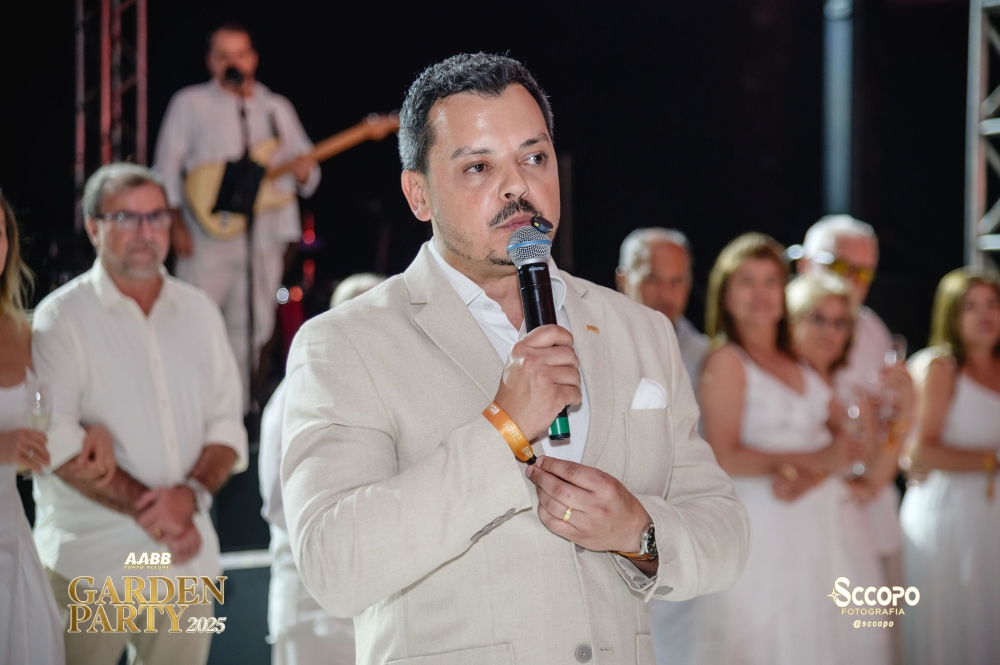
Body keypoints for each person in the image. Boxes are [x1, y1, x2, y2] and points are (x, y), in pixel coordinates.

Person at [281, 53, 750, 665]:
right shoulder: (346, 342)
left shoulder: (640, 330)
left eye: (534, 158)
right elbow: (335, 566)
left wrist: (637, 532)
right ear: (418, 194)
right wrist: (503, 429)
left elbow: (726, 535)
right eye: (479, 166)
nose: (517, 187)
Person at [32, 163, 248, 665]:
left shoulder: (199, 311)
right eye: (126, 217)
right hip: (94, 564)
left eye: (157, 217)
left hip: (186, 567)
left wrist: (189, 498)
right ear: (93, 227)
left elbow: (226, 428)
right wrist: (164, 516)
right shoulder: (60, 319)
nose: (146, 231)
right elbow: (56, 443)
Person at [691, 233, 853, 665]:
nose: (760, 293)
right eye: (747, 281)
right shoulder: (726, 361)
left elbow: (846, 439)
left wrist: (813, 476)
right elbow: (725, 454)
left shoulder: (801, 361)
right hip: (760, 525)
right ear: (725, 295)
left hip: (816, 523)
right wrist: (807, 464)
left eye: (770, 281)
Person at [154, 22, 320, 411]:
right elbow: (165, 168)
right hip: (205, 236)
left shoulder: (275, 108)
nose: (234, 62)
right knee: (194, 323)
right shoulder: (189, 103)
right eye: (224, 55)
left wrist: (303, 172)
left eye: (241, 54)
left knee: (252, 327)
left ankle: (237, 413)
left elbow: (310, 173)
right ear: (211, 62)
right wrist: (175, 223)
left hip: (262, 237)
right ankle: (192, 411)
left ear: (253, 59)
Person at [259, 273, 385, 665]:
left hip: (376, 611)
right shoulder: (300, 388)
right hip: (312, 612)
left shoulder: (383, 390)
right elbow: (282, 506)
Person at [786, 272, 900, 665]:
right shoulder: (778, 383)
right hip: (791, 529)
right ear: (791, 319)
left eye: (840, 323)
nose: (830, 332)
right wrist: (823, 473)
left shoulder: (851, 392)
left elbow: (872, 476)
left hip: (847, 529)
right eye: (817, 318)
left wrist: (903, 419)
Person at [797, 214, 910, 605]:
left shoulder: (873, 329)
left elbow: (889, 424)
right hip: (796, 509)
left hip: (867, 509)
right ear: (804, 264)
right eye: (839, 266)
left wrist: (904, 414)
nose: (851, 281)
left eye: (863, 273)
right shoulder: (771, 326)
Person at [900, 268, 1000, 665]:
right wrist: (992, 460)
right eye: (970, 306)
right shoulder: (940, 367)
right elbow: (920, 452)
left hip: (991, 518)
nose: (985, 315)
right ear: (951, 315)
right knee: (953, 622)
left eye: (992, 304)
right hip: (949, 513)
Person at [0, 190, 64, 665]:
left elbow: (56, 418)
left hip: (10, 536)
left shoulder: (25, 330)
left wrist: (90, 435)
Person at [617, 228, 709, 389]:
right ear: (623, 281)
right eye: (652, 279)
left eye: (676, 281)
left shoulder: (706, 359)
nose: (665, 294)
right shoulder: (594, 344)